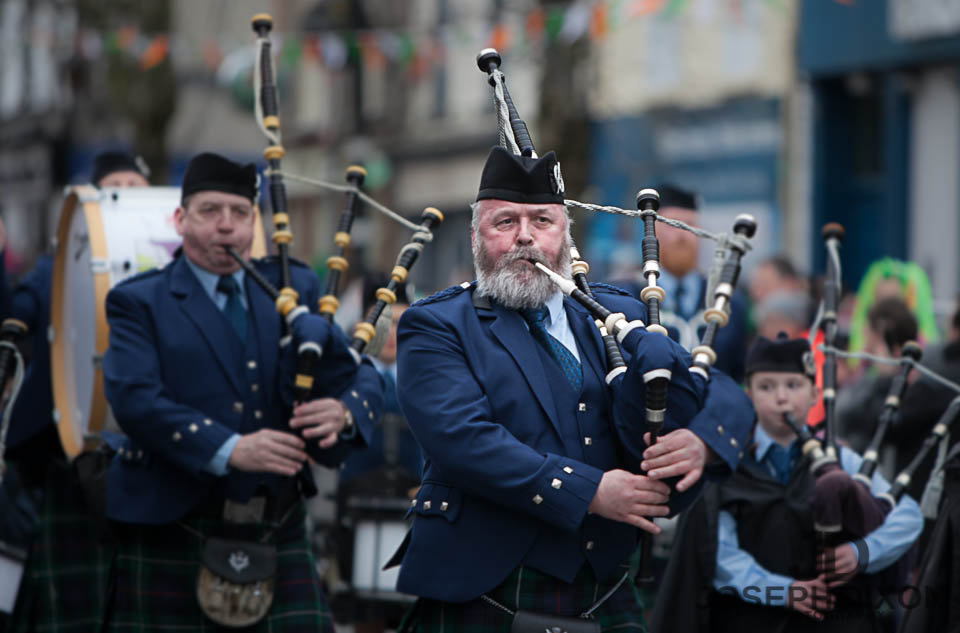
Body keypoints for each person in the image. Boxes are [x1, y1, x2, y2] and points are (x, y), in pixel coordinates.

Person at [391, 146, 754, 631]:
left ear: (565, 236)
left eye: (542, 221)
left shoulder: (614, 311)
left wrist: (703, 440)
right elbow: (461, 437)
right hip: (484, 585)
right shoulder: (438, 324)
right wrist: (590, 492)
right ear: (475, 237)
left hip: (603, 586)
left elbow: (717, 386)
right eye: (505, 222)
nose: (525, 236)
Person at [99, 152, 383, 631]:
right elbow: (134, 399)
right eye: (209, 211)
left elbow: (358, 370)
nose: (226, 225)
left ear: (255, 223)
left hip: (277, 526)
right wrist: (229, 448)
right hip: (175, 526)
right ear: (179, 220)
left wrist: (345, 411)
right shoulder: (140, 300)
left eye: (239, 212)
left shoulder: (291, 289)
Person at [651, 333, 923, 633]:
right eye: (766, 387)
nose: (781, 397)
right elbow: (718, 553)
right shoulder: (727, 464)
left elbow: (907, 515)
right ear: (748, 396)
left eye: (793, 385)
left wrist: (862, 553)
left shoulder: (840, 459)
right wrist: (783, 591)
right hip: (750, 619)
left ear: (814, 394)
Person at [4, 151, 151, 633]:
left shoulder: (173, 266)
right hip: (70, 453)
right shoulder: (59, 266)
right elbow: (18, 311)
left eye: (135, 185)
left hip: (150, 455)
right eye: (115, 187)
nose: (125, 194)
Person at [611, 184, 749, 383]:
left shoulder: (727, 302)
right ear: (651, 232)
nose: (682, 234)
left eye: (690, 224)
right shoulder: (625, 299)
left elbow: (738, 375)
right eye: (672, 224)